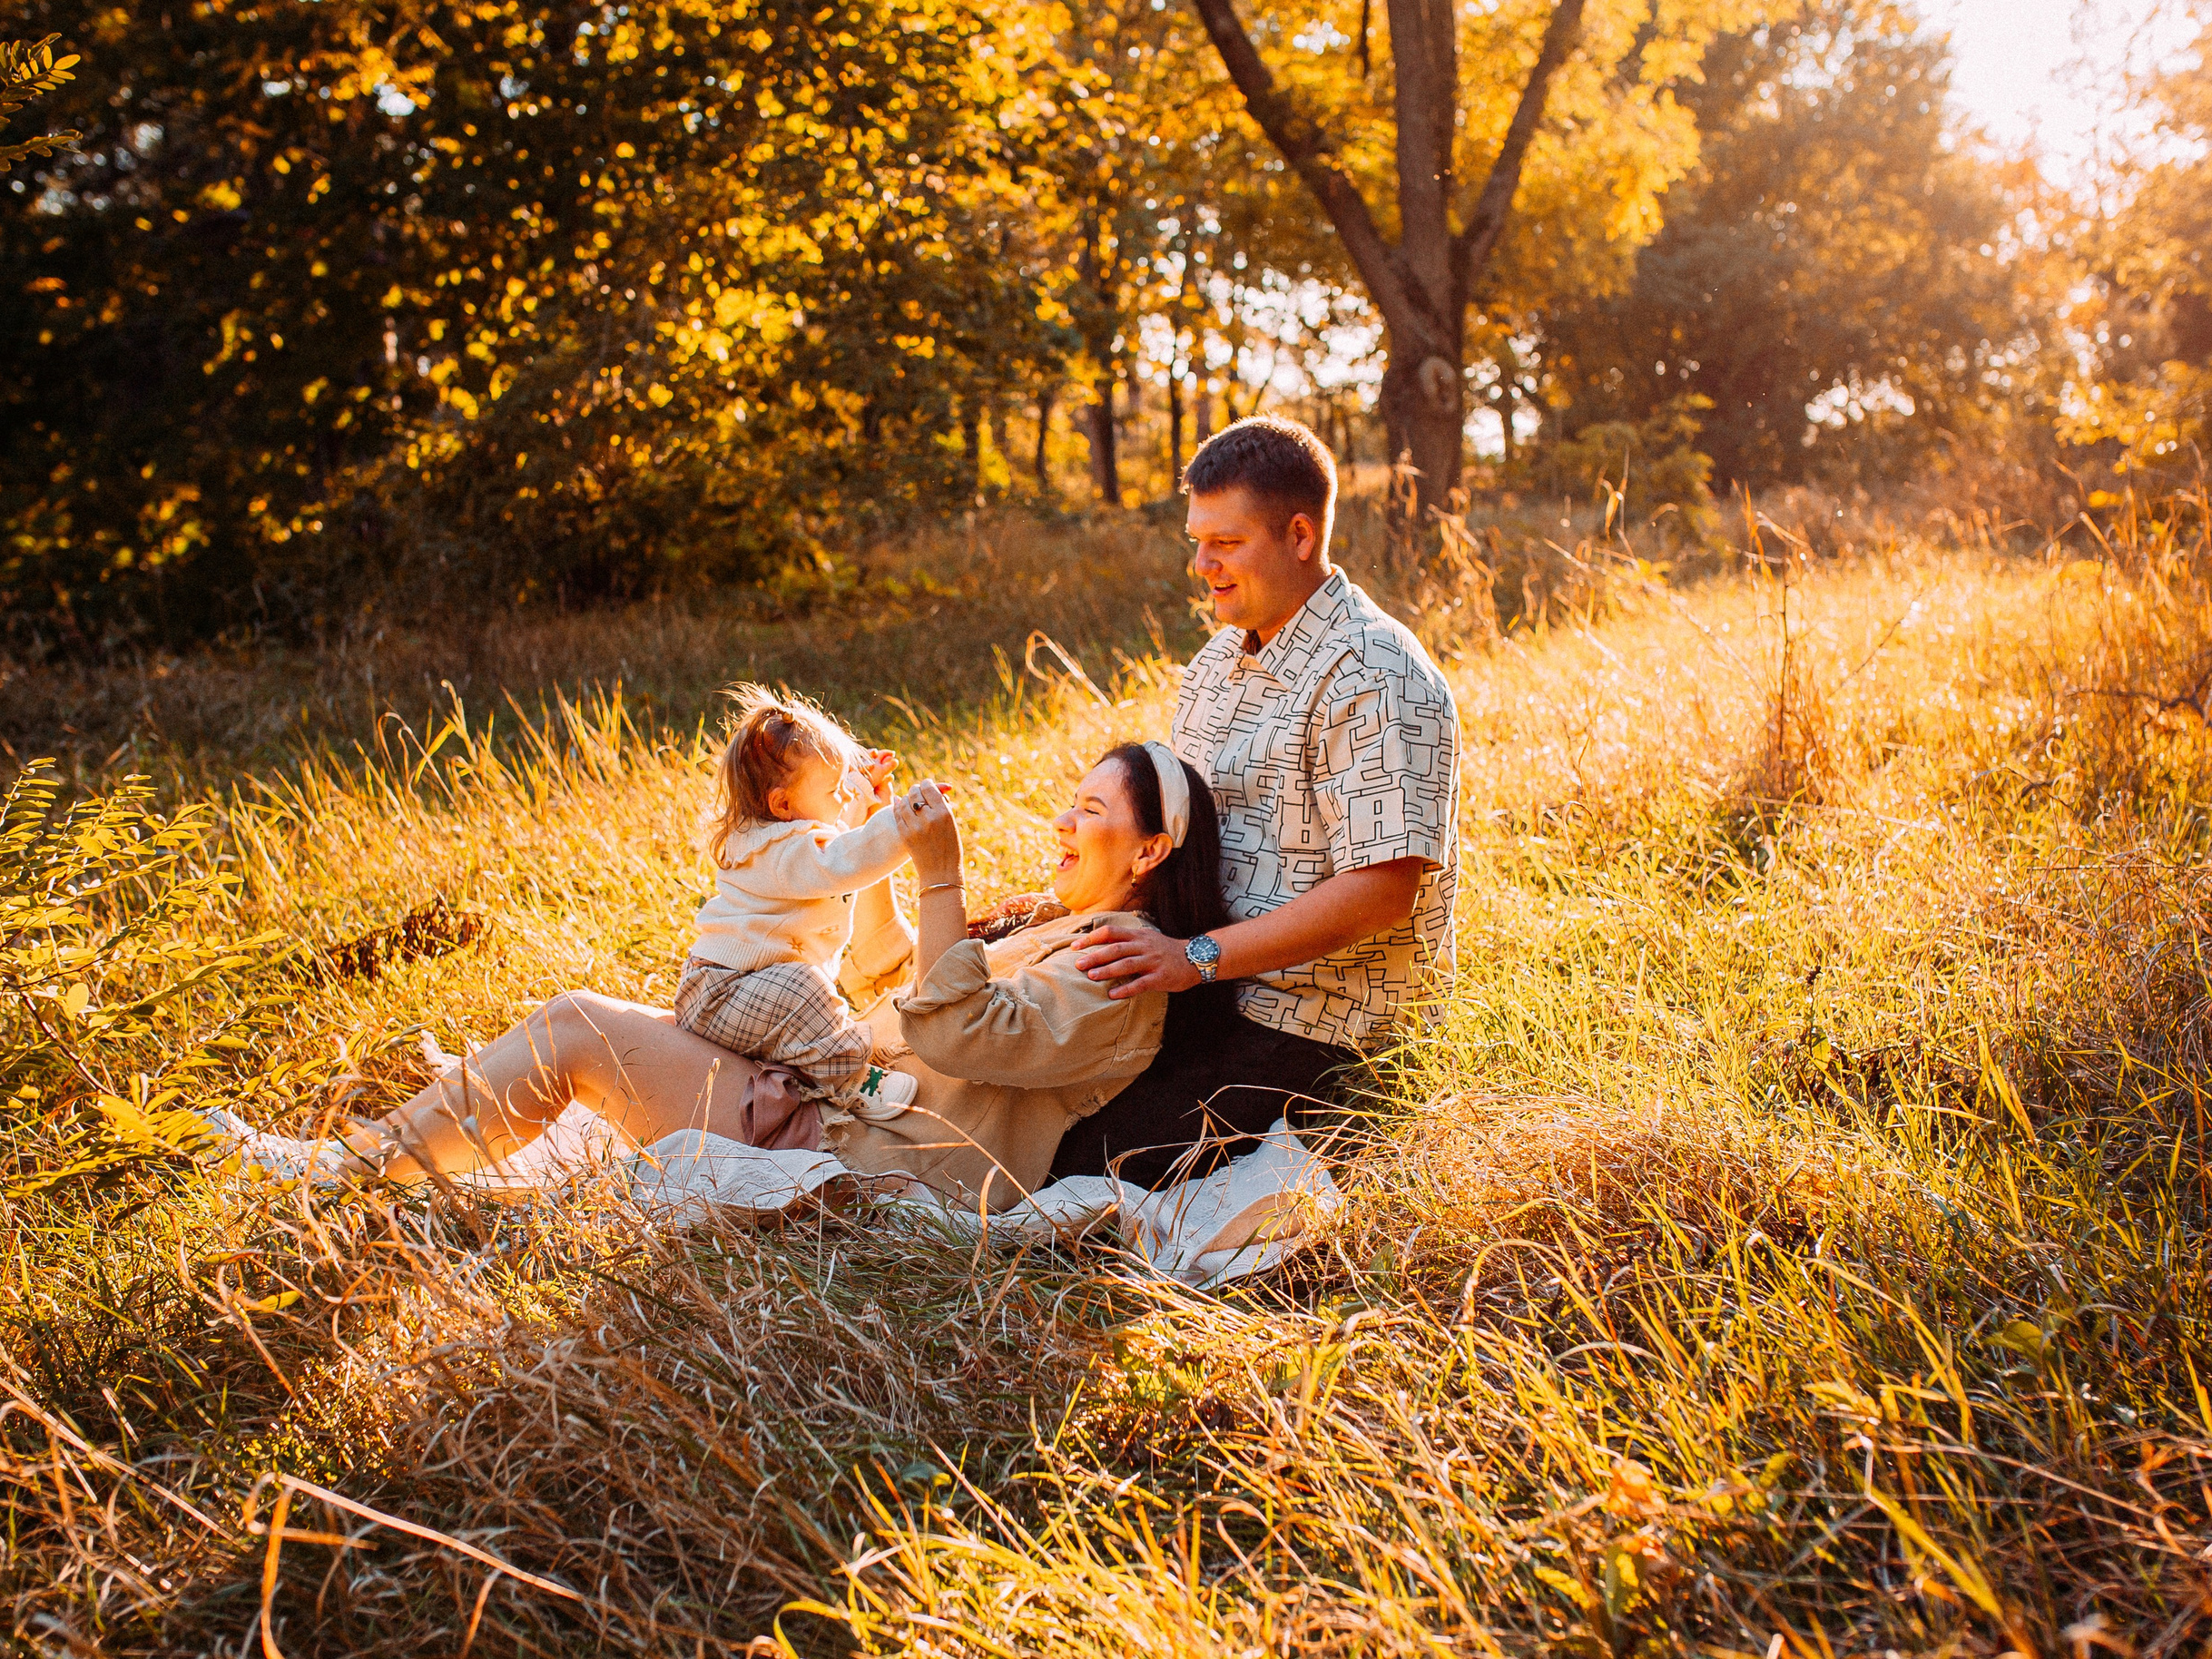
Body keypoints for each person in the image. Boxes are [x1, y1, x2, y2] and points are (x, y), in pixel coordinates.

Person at [250, 743, 1228, 1214]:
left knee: (576, 1028)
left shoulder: (1118, 970)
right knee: (598, 1026)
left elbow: (952, 1033)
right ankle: (376, 1159)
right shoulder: (1061, 928)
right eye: (1068, 801)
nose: (1061, 822)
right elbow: (891, 972)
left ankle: (345, 1171)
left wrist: (940, 871)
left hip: (862, 1149)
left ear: (1149, 851)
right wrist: (881, 842)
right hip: (830, 1098)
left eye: (1088, 809)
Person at [1051, 416, 1460, 1188]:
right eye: (1197, 542)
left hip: (1316, 1026)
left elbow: (1382, 892)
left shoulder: (1372, 671)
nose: (1203, 565)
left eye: (1227, 544)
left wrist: (1192, 958)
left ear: (1300, 535)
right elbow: (1178, 837)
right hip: (1204, 987)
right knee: (1021, 1088)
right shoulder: (1214, 665)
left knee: (1085, 1168)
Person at [673, 683, 917, 1119]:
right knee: (805, 990)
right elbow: (842, 859)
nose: (844, 797)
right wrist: (902, 824)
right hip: (721, 993)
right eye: (837, 788)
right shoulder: (781, 852)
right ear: (782, 804)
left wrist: (864, 790)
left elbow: (834, 820)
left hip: (742, 990)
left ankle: (810, 1069)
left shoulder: (788, 830)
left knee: (804, 992)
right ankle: (850, 1078)